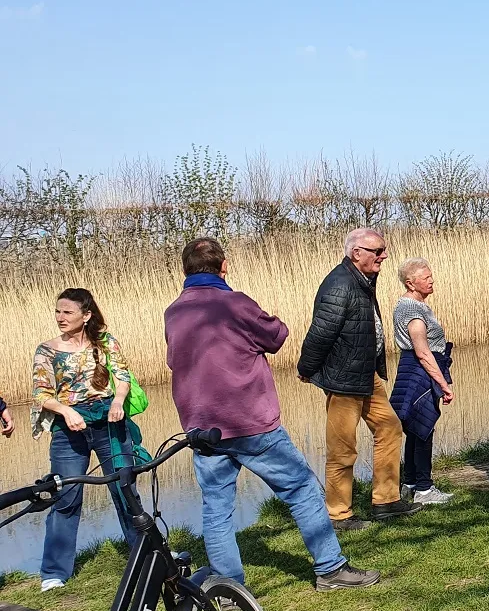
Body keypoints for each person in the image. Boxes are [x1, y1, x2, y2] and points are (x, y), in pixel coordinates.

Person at [165, 238, 380, 591]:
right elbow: (277, 336)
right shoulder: (235, 303)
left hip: (202, 426)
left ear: (185, 269)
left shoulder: (174, 312)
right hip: (249, 422)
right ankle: (330, 569)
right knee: (302, 488)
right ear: (224, 266)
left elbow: (176, 362)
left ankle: (229, 590)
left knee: (216, 509)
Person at [297, 227, 419, 531]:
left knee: (389, 427)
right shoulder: (340, 284)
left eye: (383, 250)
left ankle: (386, 501)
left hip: (366, 375)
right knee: (342, 447)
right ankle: (338, 514)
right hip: (344, 380)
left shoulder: (362, 279)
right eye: (378, 251)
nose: (384, 256)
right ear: (357, 253)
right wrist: (306, 368)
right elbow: (321, 332)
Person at [29, 289, 140, 590]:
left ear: (86, 315)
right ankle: (54, 573)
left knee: (125, 489)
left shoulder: (105, 342)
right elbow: (41, 394)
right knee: (66, 495)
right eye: (57, 311)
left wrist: (118, 402)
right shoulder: (47, 350)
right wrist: (66, 411)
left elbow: (123, 376)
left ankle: (146, 554)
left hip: (109, 423)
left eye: (67, 312)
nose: (60, 317)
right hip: (69, 429)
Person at [390, 258, 455, 507]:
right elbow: (423, 351)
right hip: (419, 370)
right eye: (425, 277)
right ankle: (425, 490)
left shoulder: (415, 305)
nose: (431, 280)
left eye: (430, 276)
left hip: (416, 368)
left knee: (416, 428)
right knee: (423, 427)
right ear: (410, 283)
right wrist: (443, 384)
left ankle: (410, 483)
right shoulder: (411, 310)